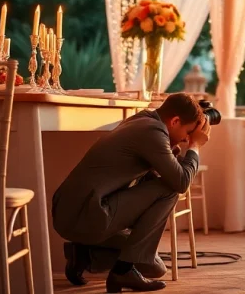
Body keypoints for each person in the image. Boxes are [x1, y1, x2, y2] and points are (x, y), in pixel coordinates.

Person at [52, 93, 211, 292]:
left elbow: (158, 175)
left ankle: (84, 254)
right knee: (169, 190)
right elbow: (181, 182)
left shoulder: (141, 119)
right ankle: (122, 271)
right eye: (187, 132)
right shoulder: (153, 132)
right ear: (175, 121)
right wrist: (195, 146)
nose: (186, 139)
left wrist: (172, 149)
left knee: (155, 267)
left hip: (69, 213)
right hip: (87, 215)